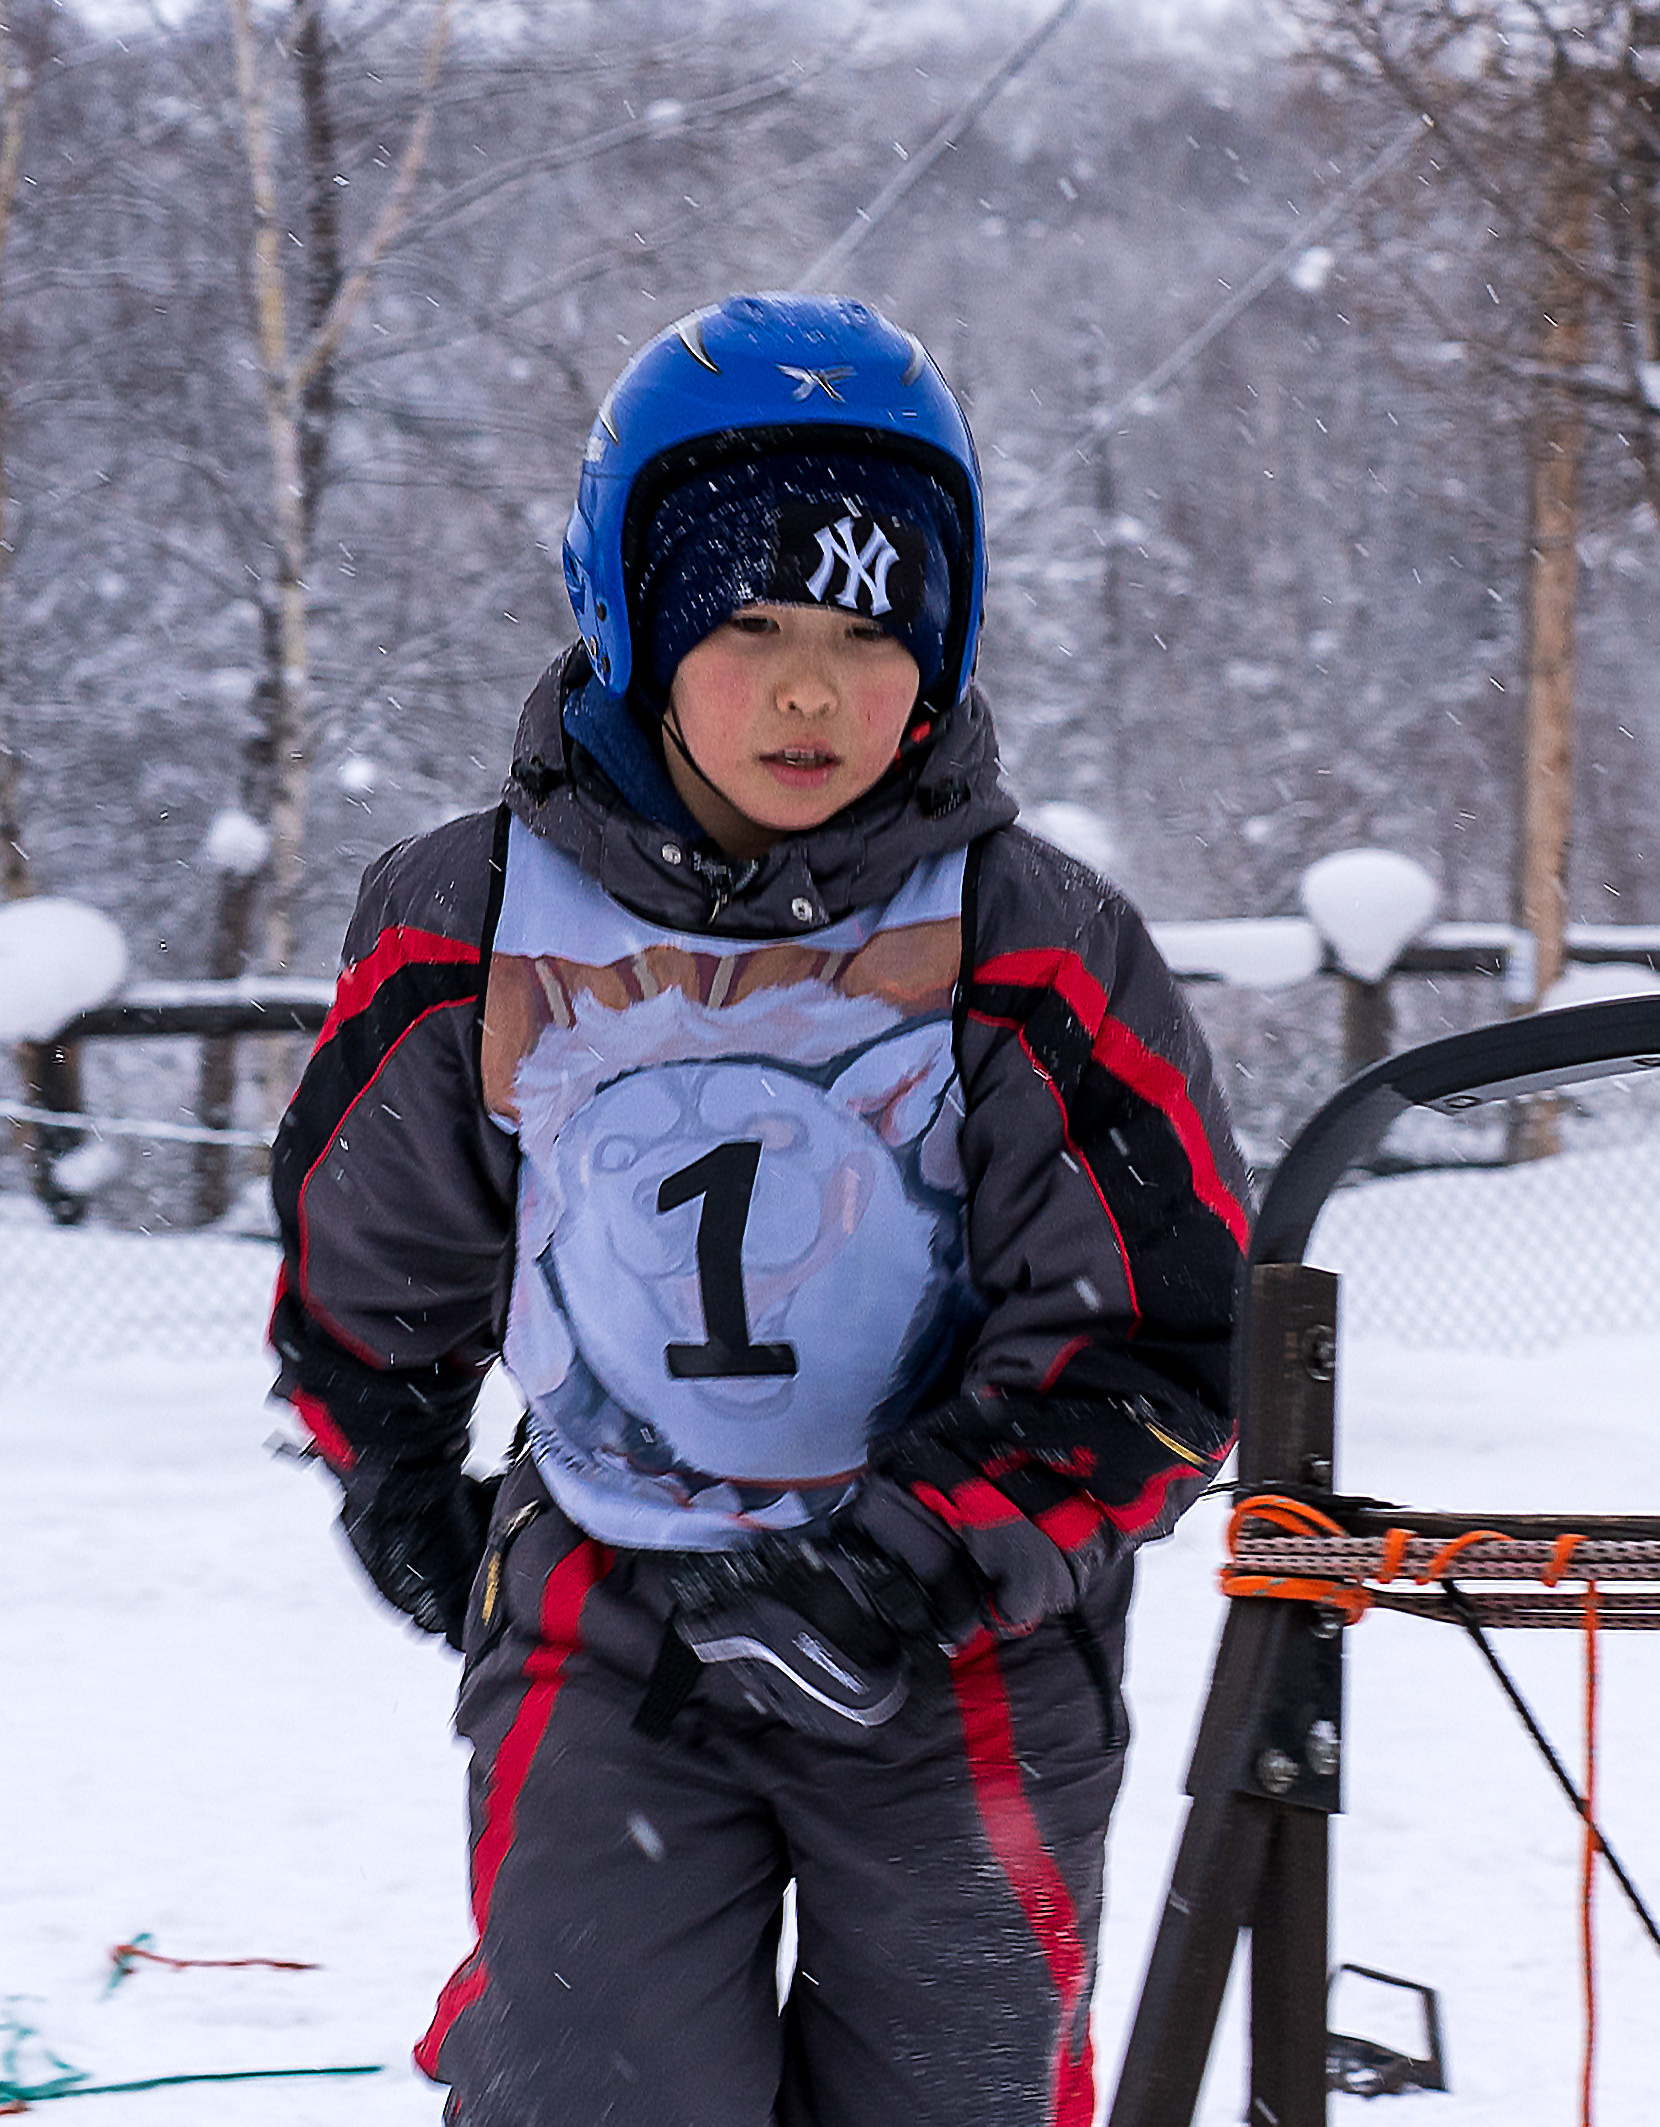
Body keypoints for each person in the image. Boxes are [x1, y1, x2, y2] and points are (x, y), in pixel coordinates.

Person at [267, 294, 1248, 2127]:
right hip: (606, 1622)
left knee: (952, 2093)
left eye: (874, 631)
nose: (814, 688)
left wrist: (912, 1553)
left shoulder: (1032, 940)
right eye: (751, 623)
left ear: (942, 651)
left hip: (958, 1645)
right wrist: (392, 1460)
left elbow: (1156, 1336)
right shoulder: (470, 920)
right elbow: (373, 1242)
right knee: (592, 2079)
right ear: (631, 621)